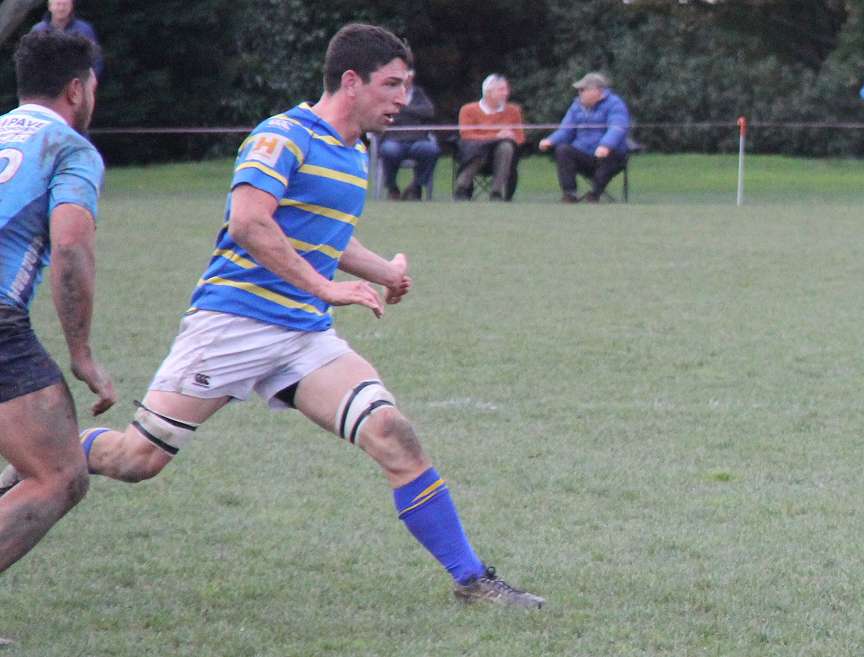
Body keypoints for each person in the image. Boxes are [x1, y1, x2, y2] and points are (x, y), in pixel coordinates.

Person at [0, 24, 544, 609]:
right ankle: (69, 451)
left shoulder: (353, 151)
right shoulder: (283, 135)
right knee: (138, 460)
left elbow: (324, 233)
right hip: (231, 323)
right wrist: (325, 287)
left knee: (393, 433)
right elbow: (249, 221)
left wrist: (382, 271)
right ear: (352, 81)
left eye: (406, 85)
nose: (402, 98)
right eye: (391, 84)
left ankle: (473, 580)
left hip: (303, 335)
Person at [0, 30, 113, 616]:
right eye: (92, 84)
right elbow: (70, 247)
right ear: (76, 89)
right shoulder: (69, 148)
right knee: (59, 474)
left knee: (31, 458)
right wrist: (82, 352)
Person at [537, 72, 629, 203]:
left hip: (609, 155)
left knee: (612, 156)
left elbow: (617, 128)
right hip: (583, 154)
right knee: (563, 150)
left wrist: (606, 145)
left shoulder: (615, 104)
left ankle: (595, 194)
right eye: (579, 90)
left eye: (583, 90)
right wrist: (550, 140)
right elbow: (566, 130)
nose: (579, 93)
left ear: (598, 90)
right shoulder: (576, 106)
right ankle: (569, 194)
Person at [454, 74, 524, 201]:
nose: (506, 93)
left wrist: (509, 137)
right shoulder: (468, 110)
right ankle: (462, 187)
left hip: (502, 158)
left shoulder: (513, 111)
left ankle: (497, 192)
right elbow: (466, 135)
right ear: (488, 92)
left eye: (506, 89)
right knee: (478, 148)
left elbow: (520, 138)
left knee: (506, 146)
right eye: (501, 90)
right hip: (475, 154)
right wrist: (496, 136)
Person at [377, 83, 439, 201]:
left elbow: (429, 112)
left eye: (409, 76)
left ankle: (415, 187)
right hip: (394, 139)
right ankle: (392, 187)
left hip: (418, 140)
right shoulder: (388, 95)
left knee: (431, 150)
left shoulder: (419, 94)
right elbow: (382, 114)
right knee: (389, 151)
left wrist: (403, 110)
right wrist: (414, 113)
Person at [30, 0, 101, 82]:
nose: (61, 8)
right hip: (46, 85)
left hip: (78, 85)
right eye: (58, 4)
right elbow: (30, 61)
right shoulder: (38, 31)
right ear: (50, 6)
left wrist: (86, 83)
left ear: (71, 6)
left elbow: (96, 60)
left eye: (65, 4)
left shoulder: (84, 30)